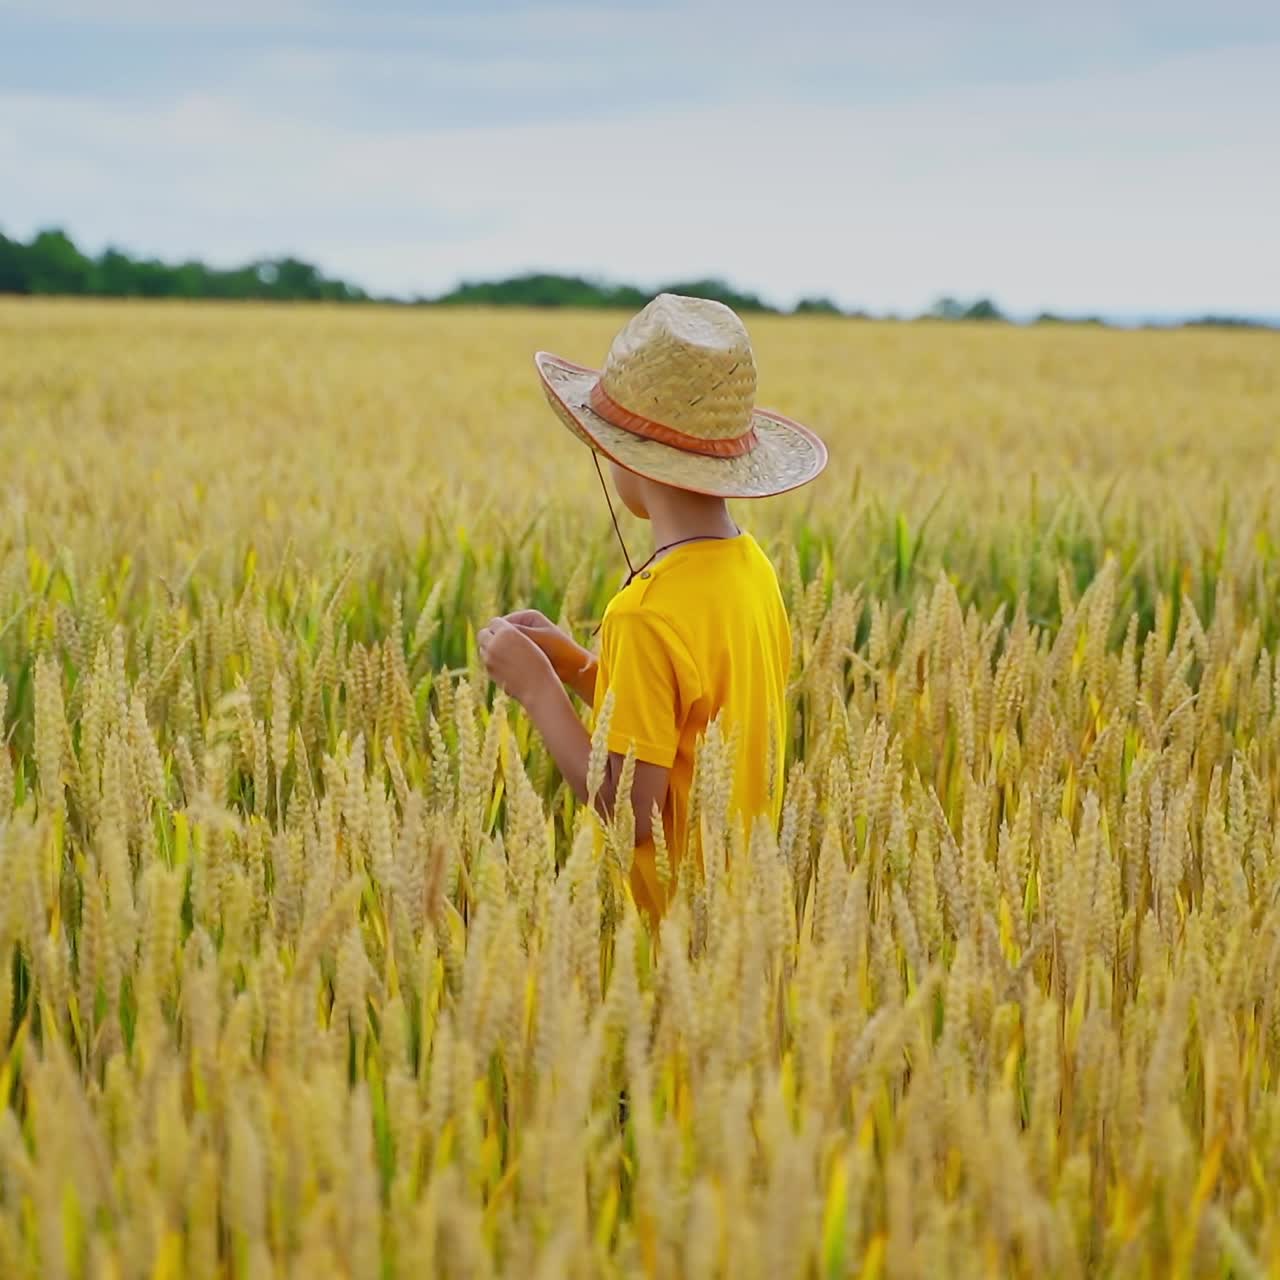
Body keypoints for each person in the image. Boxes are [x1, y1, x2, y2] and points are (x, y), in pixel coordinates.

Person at [478, 293, 827, 919]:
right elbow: (685, 718)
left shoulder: (644, 615)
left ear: (624, 457)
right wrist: (579, 666)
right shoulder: (753, 570)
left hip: (667, 925)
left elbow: (631, 816)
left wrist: (537, 691)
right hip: (744, 909)